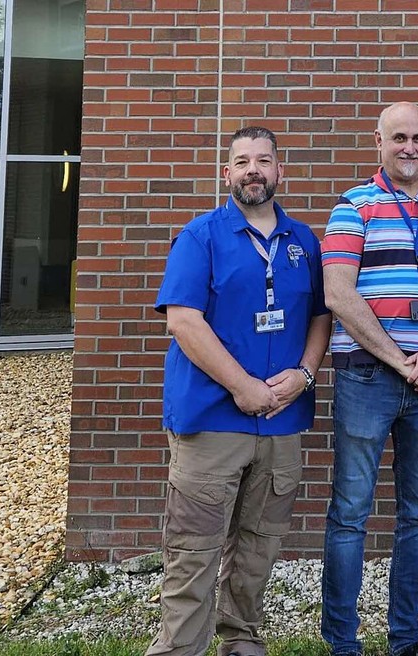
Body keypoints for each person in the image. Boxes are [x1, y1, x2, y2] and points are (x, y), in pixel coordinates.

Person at [148, 126, 332, 656]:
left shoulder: (304, 242)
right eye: (242, 161)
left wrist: (306, 373)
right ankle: (179, 649)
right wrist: (244, 387)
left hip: (282, 421)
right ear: (226, 173)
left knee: (259, 544)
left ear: (281, 170)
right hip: (212, 419)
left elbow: (322, 316)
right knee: (193, 548)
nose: (254, 169)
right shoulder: (201, 235)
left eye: (264, 160)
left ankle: (240, 638)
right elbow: (183, 321)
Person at [319, 102, 418, 656]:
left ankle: (406, 639)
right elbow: (337, 293)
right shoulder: (353, 206)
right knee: (350, 514)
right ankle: (343, 642)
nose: (408, 147)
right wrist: (398, 358)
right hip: (368, 376)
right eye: (398, 138)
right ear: (378, 143)